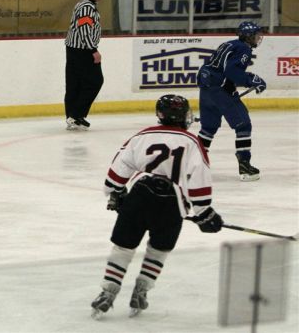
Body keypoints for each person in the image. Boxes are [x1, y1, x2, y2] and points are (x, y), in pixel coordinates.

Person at [90, 94, 223, 319]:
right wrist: (203, 211)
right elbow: (198, 176)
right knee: (159, 249)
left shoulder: (142, 136)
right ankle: (141, 291)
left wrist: (115, 192)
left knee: (123, 247)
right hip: (172, 202)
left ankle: (107, 293)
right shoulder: (192, 142)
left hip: (139, 196)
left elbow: (120, 167)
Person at [196, 21, 267, 181]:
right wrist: (252, 79)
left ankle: (193, 164)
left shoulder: (229, 44)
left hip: (207, 90)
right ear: (248, 36)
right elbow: (232, 71)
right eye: (255, 35)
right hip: (221, 90)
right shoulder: (244, 49)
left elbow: (215, 67)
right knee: (243, 125)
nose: (258, 38)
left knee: (208, 128)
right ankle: (244, 166)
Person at [63, 0, 106, 131]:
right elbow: (84, 31)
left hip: (77, 50)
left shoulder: (86, 5)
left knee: (76, 84)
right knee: (95, 81)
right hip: (82, 51)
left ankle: (73, 116)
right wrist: (93, 50)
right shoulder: (86, 7)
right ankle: (75, 115)